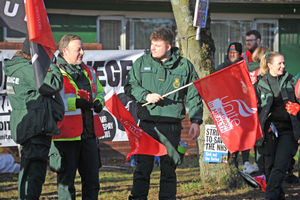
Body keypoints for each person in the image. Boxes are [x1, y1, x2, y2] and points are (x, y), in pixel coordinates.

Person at [124, 27, 203, 200]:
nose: (153, 48)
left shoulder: (184, 66)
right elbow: (129, 86)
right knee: (142, 168)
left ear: (168, 46)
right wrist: (145, 95)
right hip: (147, 124)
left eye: (157, 45)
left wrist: (196, 120)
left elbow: (194, 93)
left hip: (171, 126)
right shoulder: (142, 62)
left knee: (169, 169)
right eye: (152, 44)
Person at [3, 38, 64, 199]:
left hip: (31, 127)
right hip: (35, 128)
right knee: (33, 175)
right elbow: (53, 84)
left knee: (30, 172)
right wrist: (52, 65)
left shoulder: (20, 66)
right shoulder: (28, 69)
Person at [49, 34, 105, 200]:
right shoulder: (53, 72)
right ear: (65, 51)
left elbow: (100, 92)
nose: (82, 52)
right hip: (65, 137)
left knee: (93, 183)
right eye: (78, 49)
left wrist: (98, 102)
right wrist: (76, 103)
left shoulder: (89, 71)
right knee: (66, 185)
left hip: (88, 135)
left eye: (82, 48)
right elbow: (51, 101)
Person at [255, 51, 300, 200]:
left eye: (284, 63)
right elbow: (252, 109)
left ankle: (269, 197)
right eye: (279, 63)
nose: (283, 66)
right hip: (268, 133)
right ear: (269, 65)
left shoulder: (291, 81)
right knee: (270, 170)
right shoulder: (259, 85)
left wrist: (298, 109)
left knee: (280, 167)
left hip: (288, 131)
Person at [216, 42, 258, 174]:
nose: (232, 55)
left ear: (239, 54)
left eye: (234, 53)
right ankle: (229, 164)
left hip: (241, 106)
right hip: (226, 107)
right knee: (229, 134)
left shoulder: (244, 68)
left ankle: (245, 162)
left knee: (244, 134)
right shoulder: (221, 68)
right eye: (230, 53)